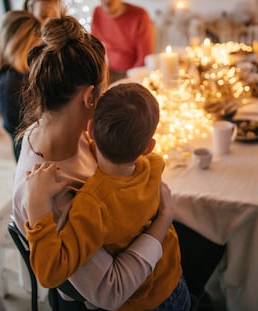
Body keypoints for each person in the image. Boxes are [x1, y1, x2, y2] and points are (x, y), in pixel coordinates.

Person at [13, 15, 180, 310]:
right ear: (90, 95)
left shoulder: (67, 134)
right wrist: (164, 218)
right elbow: (111, 291)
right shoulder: (50, 190)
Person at [25, 82, 190, 310]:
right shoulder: (153, 166)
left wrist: (37, 207)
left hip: (140, 303)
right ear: (148, 147)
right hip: (175, 284)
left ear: (90, 130)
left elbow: (50, 273)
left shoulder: (93, 205)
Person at [0, 11, 41, 162]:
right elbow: (15, 127)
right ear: (22, 44)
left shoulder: (18, 74)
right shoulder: (11, 83)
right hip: (28, 151)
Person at [91, 0, 155, 83]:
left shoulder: (140, 15)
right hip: (108, 71)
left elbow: (144, 57)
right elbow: (94, 46)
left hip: (132, 73)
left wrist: (127, 79)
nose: (107, 1)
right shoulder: (97, 12)